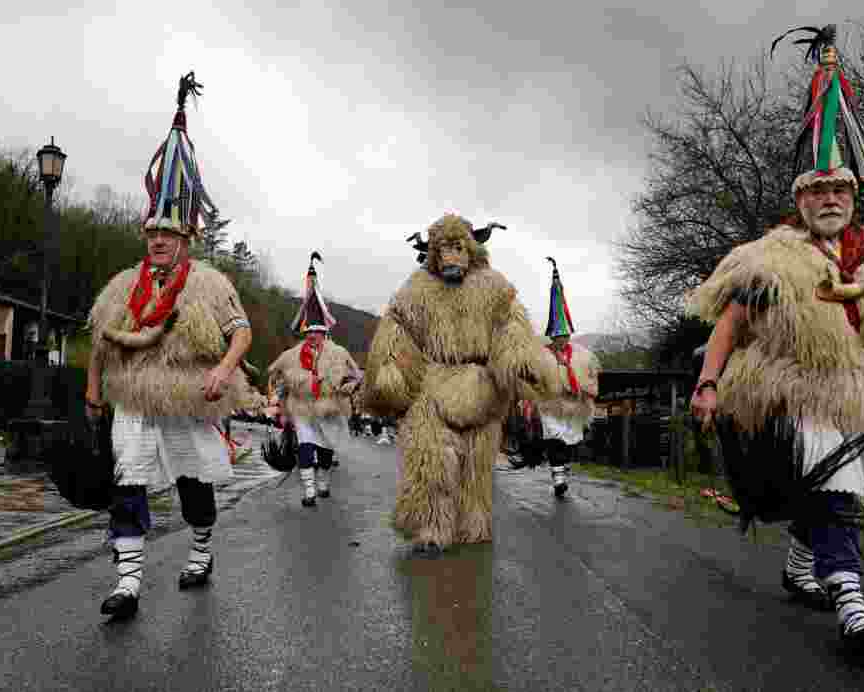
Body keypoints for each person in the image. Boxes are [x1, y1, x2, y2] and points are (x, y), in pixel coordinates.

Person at [687, 23, 864, 657]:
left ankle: (802, 568)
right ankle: (854, 610)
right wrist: (709, 383)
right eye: (817, 191)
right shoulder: (770, 257)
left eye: (839, 189)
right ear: (800, 201)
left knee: (839, 489)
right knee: (836, 494)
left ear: (853, 195)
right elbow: (730, 324)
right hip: (801, 393)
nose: (829, 198)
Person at [85, 72, 253, 619]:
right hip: (133, 403)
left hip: (188, 402)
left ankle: (201, 552)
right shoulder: (120, 286)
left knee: (193, 490)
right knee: (127, 487)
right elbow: (101, 343)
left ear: (186, 239)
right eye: (152, 233)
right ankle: (128, 584)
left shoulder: (210, 283)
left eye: (169, 234)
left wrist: (225, 370)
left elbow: (241, 333)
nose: (158, 240)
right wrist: (93, 392)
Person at [362, 214, 559, 554]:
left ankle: (473, 525)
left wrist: (521, 359)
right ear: (433, 254)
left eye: (457, 247)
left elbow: (511, 326)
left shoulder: (494, 287)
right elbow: (396, 331)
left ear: (471, 249)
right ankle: (432, 527)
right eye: (443, 250)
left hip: (480, 387)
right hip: (431, 386)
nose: (451, 256)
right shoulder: (415, 290)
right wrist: (390, 372)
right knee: (429, 461)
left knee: (476, 467)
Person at [267, 252, 361, 506]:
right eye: (309, 332)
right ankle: (308, 491)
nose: (312, 337)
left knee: (325, 452)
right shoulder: (291, 355)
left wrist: (349, 387)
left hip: (330, 409)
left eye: (317, 332)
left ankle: (323, 482)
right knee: (305, 447)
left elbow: (356, 376)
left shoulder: (339, 353)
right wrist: (278, 395)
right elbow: (275, 374)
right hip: (303, 409)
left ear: (325, 333)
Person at [532, 257, 601, 497]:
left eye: (564, 334)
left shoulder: (584, 356)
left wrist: (586, 390)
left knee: (571, 441)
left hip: (576, 404)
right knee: (555, 439)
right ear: (551, 336)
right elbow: (534, 379)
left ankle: (563, 469)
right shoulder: (541, 356)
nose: (561, 339)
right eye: (556, 335)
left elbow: (593, 379)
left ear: (569, 334)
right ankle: (558, 476)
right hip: (552, 405)